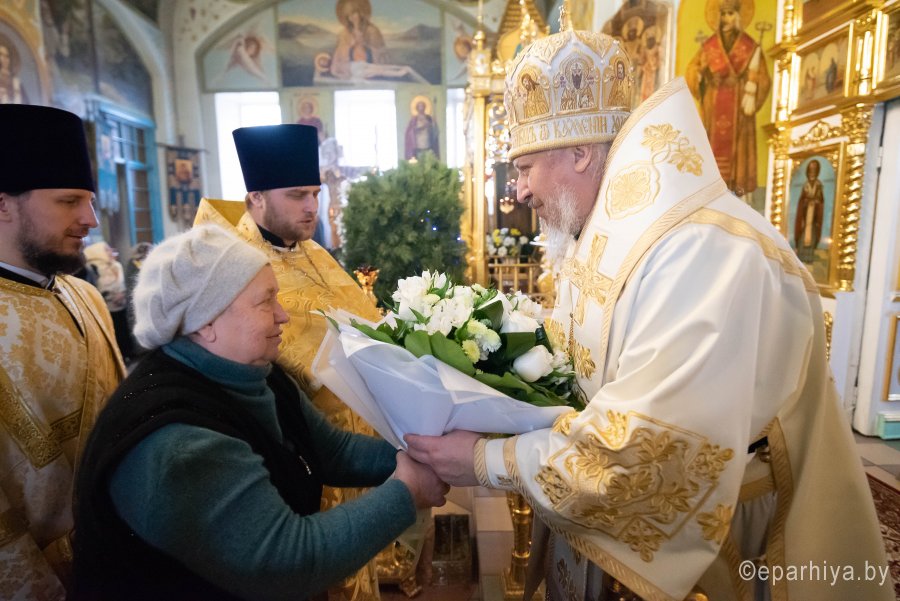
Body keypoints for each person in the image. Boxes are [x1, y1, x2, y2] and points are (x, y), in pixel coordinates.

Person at [405, 21, 892, 601]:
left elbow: (643, 454)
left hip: (717, 542)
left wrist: (486, 460)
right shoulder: (612, 236)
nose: (521, 192)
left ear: (581, 153)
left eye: (525, 168)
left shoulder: (701, 252)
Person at [71, 224, 448, 600]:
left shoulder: (257, 374)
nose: (283, 315)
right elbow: (288, 561)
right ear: (206, 323)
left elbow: (333, 452)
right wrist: (407, 491)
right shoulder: (179, 446)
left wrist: (433, 453)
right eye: (266, 302)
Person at [194, 124, 397, 601]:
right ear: (256, 198)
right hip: (295, 453)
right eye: (297, 195)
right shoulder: (233, 265)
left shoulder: (312, 252)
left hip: (351, 442)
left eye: (315, 194)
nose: (311, 207)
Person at [0, 104, 125, 599]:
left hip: (123, 555)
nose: (90, 220)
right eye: (69, 201)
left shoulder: (85, 295)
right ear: (3, 205)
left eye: (89, 202)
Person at [685, 0, 770, 199]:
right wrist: (704, 76)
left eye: (730, 14)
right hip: (713, 107)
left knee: (737, 158)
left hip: (738, 108)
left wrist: (749, 84)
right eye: (723, 14)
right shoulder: (709, 46)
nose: (726, 18)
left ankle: (738, 195)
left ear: (738, 16)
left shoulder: (750, 46)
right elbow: (692, 71)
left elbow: (763, 79)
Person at [84, 241, 133, 361]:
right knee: (110, 332)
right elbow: (91, 289)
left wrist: (122, 294)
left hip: (121, 305)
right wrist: (110, 297)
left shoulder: (116, 266)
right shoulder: (92, 268)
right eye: (106, 249)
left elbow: (122, 284)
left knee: (123, 329)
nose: (111, 251)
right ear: (98, 252)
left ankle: (127, 354)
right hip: (104, 307)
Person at [793, 159, 825, 263]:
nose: (812, 172)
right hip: (805, 216)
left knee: (812, 234)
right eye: (811, 170)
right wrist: (806, 202)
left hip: (813, 216)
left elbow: (821, 200)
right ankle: (801, 256)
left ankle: (809, 258)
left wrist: (816, 202)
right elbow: (802, 200)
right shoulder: (805, 185)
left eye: (814, 170)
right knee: (803, 235)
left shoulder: (818, 185)